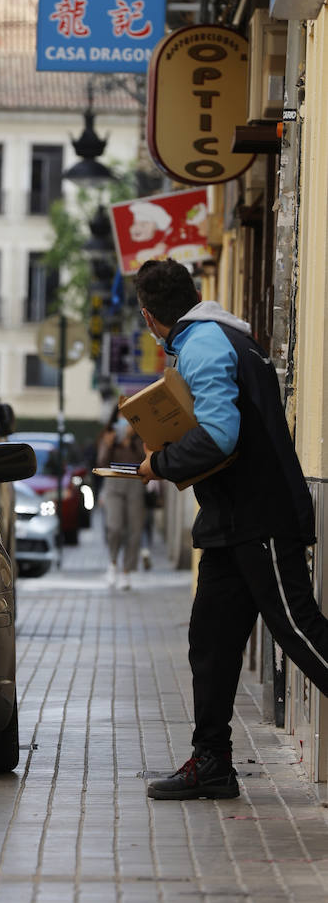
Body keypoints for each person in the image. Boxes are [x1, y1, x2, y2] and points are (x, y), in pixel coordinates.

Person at [134, 257, 327, 802]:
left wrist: (161, 464)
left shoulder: (202, 345)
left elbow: (220, 436)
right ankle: (213, 764)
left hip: (258, 515)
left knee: (298, 628)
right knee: (212, 643)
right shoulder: (223, 337)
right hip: (230, 522)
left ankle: (213, 761)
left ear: (150, 317)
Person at [95, 413, 146, 590]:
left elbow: (146, 459)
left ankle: (127, 571)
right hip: (113, 485)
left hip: (135, 484)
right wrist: (109, 445)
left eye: (128, 417)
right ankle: (112, 563)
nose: (124, 422)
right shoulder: (108, 435)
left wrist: (132, 441)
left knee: (134, 529)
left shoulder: (141, 437)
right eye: (120, 417)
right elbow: (101, 462)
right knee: (114, 526)